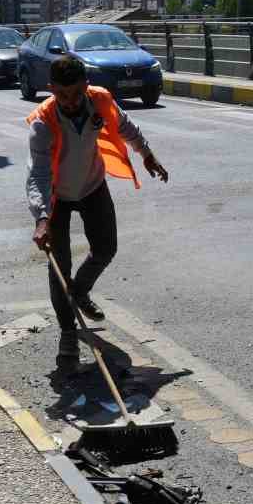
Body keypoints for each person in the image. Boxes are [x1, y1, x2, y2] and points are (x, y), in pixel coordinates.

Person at [26, 53, 169, 368]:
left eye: (77, 93)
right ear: (51, 89)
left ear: (86, 86)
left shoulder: (100, 101)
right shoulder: (43, 124)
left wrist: (146, 154)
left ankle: (80, 291)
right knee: (59, 268)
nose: (71, 101)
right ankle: (67, 331)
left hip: (92, 185)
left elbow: (126, 126)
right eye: (62, 94)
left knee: (106, 248)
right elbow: (37, 175)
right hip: (57, 198)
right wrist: (42, 218)